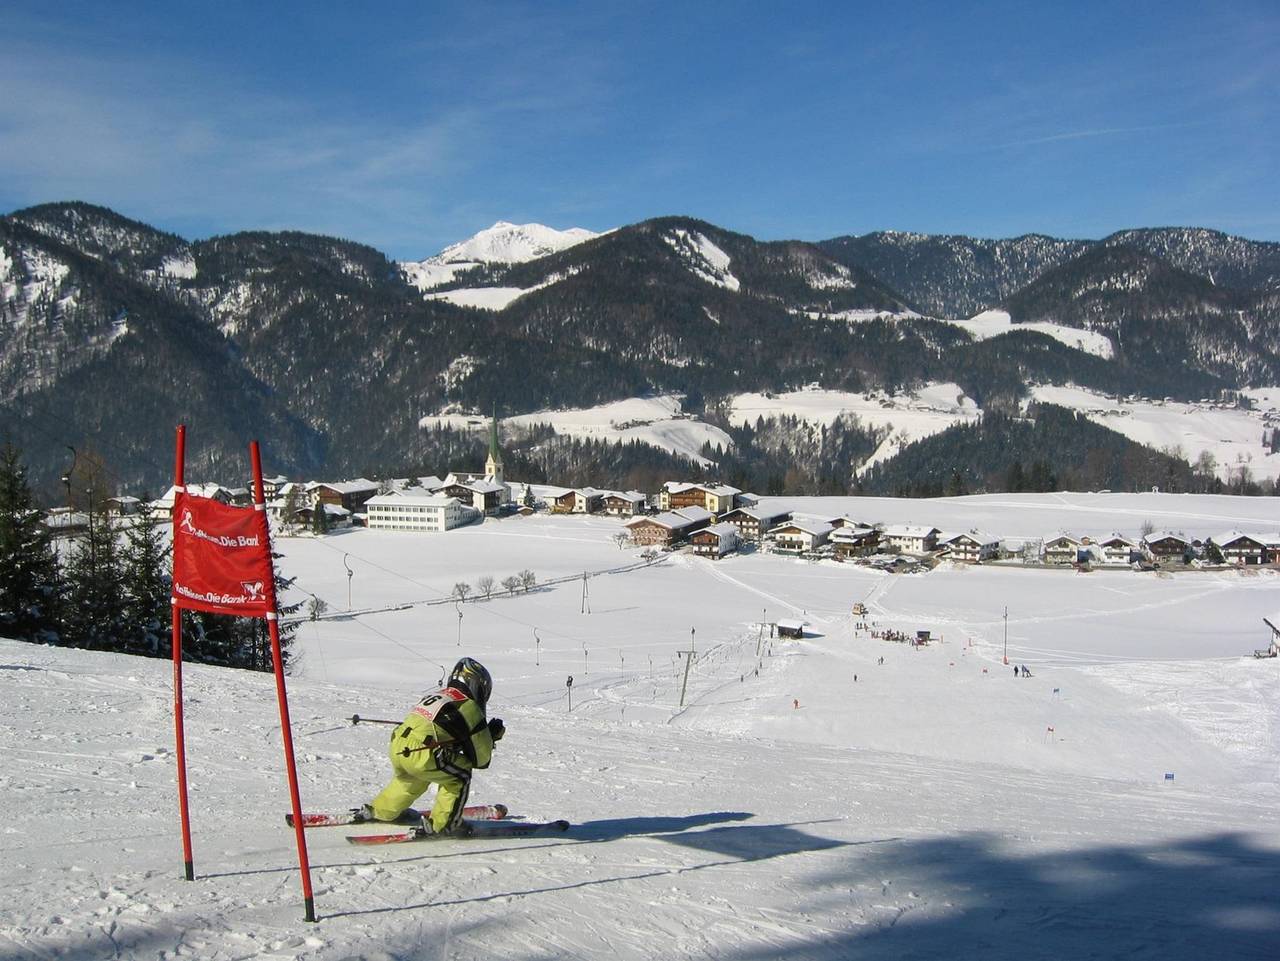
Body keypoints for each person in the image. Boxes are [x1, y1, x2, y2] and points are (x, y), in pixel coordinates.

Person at [362, 657, 504, 835]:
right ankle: (443, 826)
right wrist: (490, 737)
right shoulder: (468, 706)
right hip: (423, 751)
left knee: (411, 779)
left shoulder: (439, 695)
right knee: (459, 776)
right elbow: (481, 759)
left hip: (399, 745)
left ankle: (381, 811)